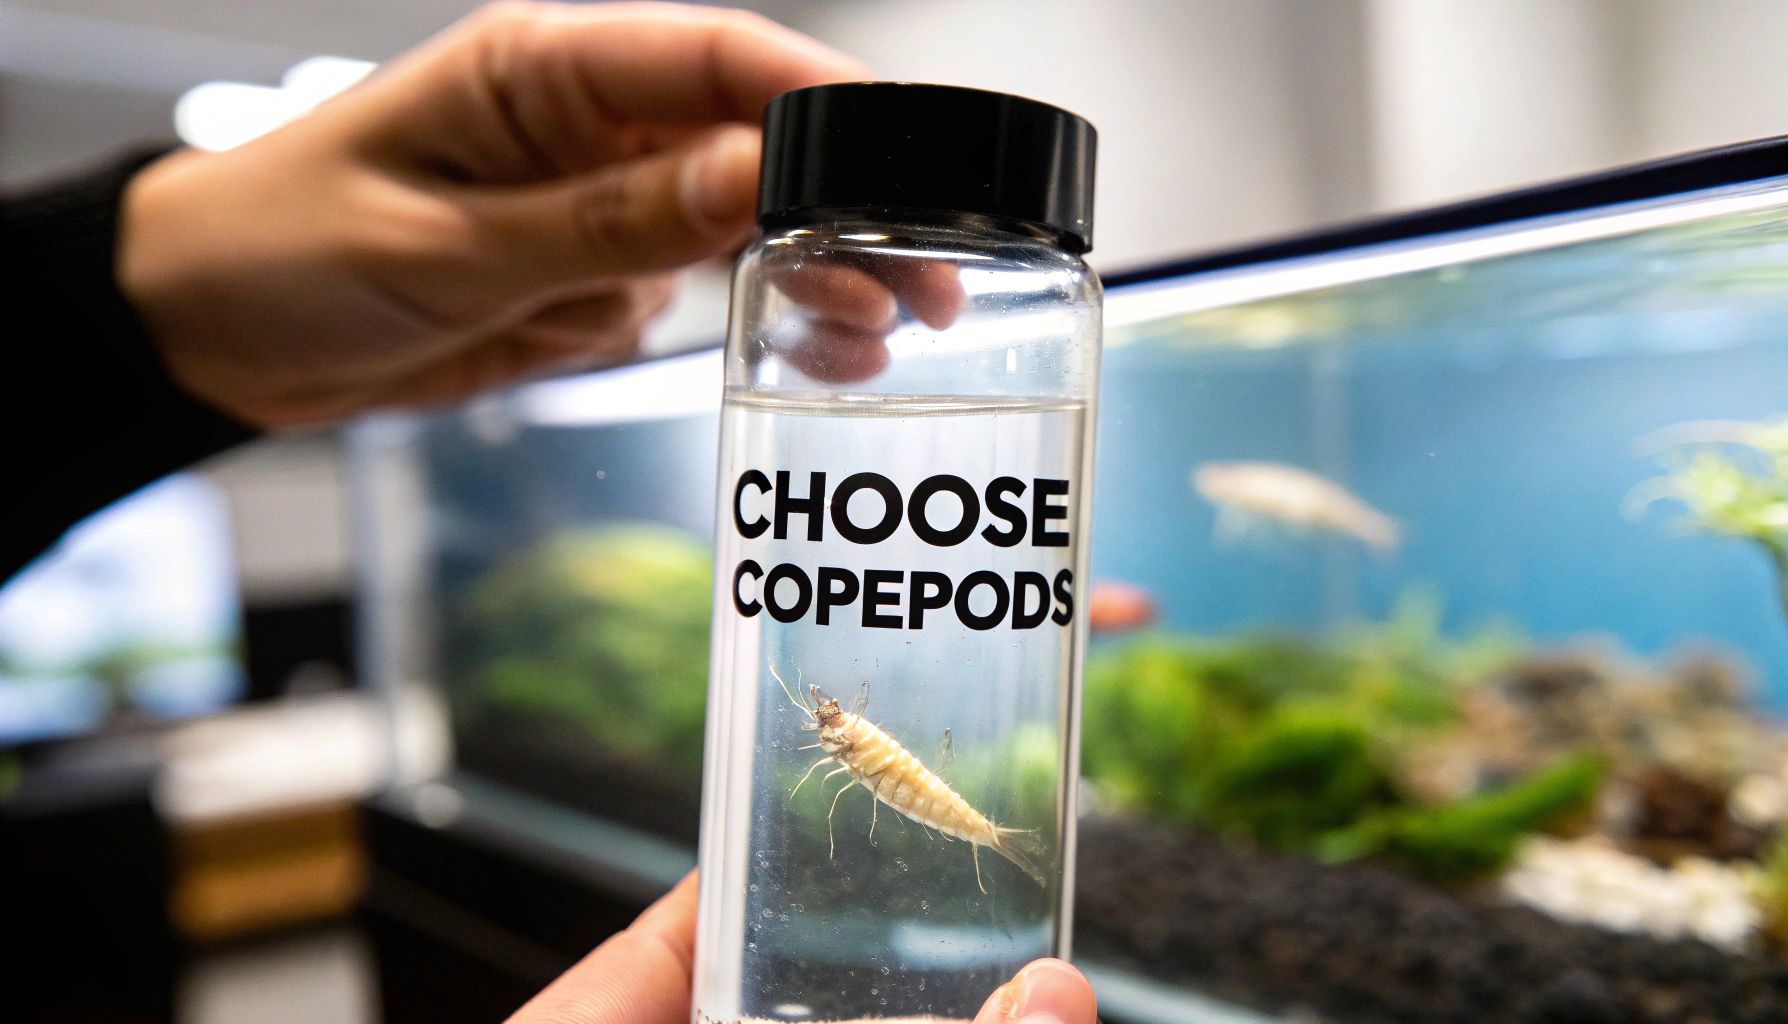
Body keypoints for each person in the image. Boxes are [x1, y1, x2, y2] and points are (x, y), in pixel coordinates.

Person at [0, 3, 1099, 1022]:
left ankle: (981, 835)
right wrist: (129, 299)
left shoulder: (1040, 303)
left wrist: (126, 301)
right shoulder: (855, 740)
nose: (828, 721)